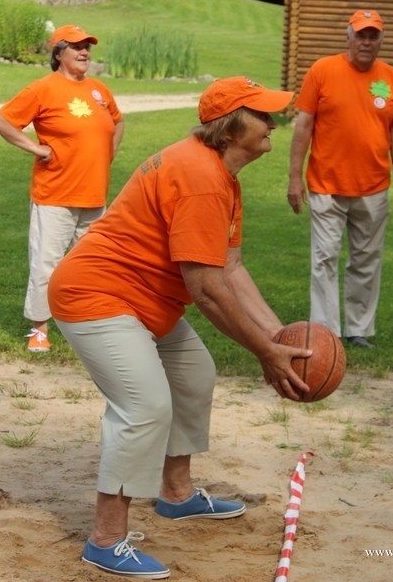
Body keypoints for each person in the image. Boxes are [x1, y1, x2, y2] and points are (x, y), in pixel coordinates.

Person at [47, 76, 312, 579]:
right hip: (96, 294)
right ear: (232, 127)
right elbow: (208, 290)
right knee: (144, 405)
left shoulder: (220, 173)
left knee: (193, 376)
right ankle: (105, 540)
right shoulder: (201, 178)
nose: (274, 122)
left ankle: (176, 494)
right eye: (263, 115)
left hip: (143, 299)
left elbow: (230, 268)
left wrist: (281, 340)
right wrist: (265, 352)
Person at [0, 24, 124, 352]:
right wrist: (36, 148)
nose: (84, 53)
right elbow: (2, 120)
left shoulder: (99, 90)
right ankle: (39, 328)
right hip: (55, 196)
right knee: (47, 263)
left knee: (94, 265)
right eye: (77, 47)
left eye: (87, 47)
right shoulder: (43, 89)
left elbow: (117, 122)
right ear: (58, 53)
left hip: (95, 196)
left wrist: (107, 155)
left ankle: (91, 325)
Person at [287, 9, 393, 350]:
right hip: (325, 184)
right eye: (361, 34)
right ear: (349, 37)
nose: (367, 42)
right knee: (324, 257)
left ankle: (359, 329)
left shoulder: (392, 78)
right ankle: (326, 333)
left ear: (381, 40)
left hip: (373, 187)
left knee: (366, 260)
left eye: (373, 36)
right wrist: (294, 177)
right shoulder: (322, 71)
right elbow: (303, 125)